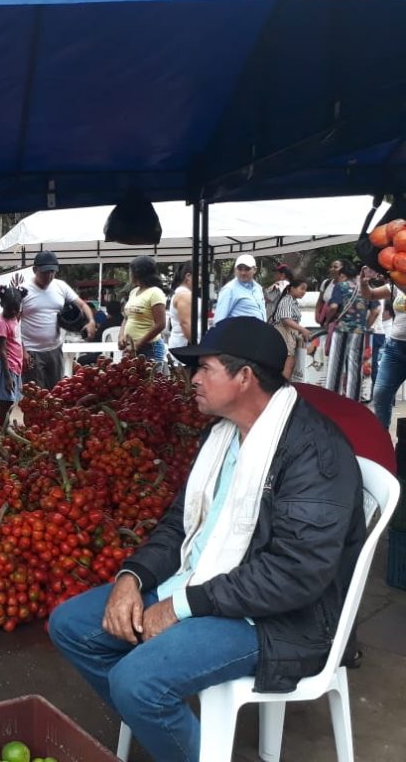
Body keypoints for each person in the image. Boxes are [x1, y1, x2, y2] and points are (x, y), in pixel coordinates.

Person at [49, 316, 364, 762]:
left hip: (281, 620)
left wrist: (180, 607)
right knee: (72, 626)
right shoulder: (223, 435)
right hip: (204, 579)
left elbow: (295, 574)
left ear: (245, 377)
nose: (193, 379)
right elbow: (181, 524)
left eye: (205, 369)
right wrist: (132, 576)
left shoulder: (314, 453)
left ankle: (172, 732)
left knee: (137, 683)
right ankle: (182, 740)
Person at [17, 250, 95, 389]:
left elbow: (82, 304)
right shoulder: (23, 290)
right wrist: (22, 350)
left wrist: (91, 321)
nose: (49, 276)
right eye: (45, 272)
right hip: (31, 350)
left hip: (55, 349)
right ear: (35, 270)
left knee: (56, 392)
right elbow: (14, 323)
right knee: (35, 395)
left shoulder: (60, 286)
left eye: (52, 272)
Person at [325, 260, 377, 401]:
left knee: (336, 364)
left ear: (344, 274)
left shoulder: (341, 286)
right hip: (358, 332)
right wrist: (364, 325)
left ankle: (332, 399)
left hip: (341, 329)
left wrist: (328, 320)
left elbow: (334, 306)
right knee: (355, 366)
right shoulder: (367, 289)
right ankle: (353, 400)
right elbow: (376, 311)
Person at [360, 269, 406, 427]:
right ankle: (382, 442)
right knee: (381, 393)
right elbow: (370, 295)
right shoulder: (396, 283)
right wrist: (363, 282)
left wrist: (392, 277)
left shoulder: (398, 282)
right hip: (395, 348)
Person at [119, 256, 167, 367]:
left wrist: (138, 344)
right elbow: (126, 317)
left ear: (137, 273)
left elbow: (160, 324)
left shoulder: (155, 293)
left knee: (151, 381)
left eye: (130, 271)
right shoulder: (134, 292)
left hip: (149, 347)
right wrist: (121, 336)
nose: (129, 275)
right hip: (130, 347)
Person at [0, 286, 26, 427]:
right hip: (6, 367)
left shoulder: (14, 317)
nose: (14, 312)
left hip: (15, 366)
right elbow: (2, 350)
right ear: (2, 305)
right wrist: (7, 377)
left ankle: (3, 427)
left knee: (10, 401)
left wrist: (25, 353)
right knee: (6, 401)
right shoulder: (1, 323)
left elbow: (17, 338)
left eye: (16, 309)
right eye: (11, 309)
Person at [269, 276, 311, 380]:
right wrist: (302, 329)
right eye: (302, 288)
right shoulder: (287, 300)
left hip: (290, 334)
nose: (304, 292)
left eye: (305, 289)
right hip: (285, 332)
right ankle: (284, 385)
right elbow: (286, 319)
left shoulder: (293, 301)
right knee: (289, 361)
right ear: (292, 288)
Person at [213, 254, 265, 323]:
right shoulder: (229, 289)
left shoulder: (258, 288)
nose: (243, 272)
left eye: (247, 269)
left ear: (254, 269)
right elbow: (219, 321)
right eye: (240, 269)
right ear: (235, 270)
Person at [167, 262, 193, 349]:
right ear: (188, 276)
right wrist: (198, 345)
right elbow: (185, 324)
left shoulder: (183, 293)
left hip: (181, 344)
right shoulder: (184, 295)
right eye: (200, 274)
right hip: (185, 346)